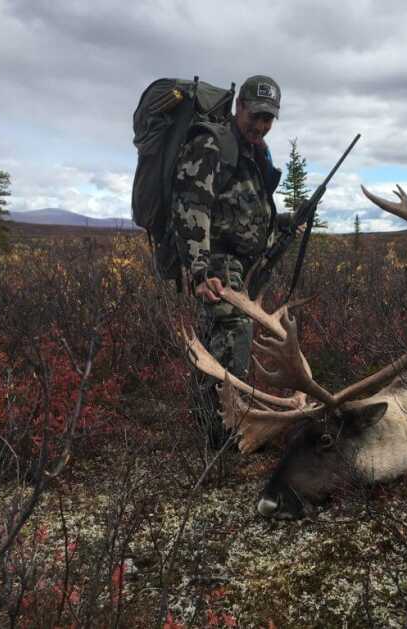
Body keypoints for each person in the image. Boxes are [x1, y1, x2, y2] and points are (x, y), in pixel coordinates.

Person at [171, 75, 295, 448]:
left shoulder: (253, 151)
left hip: (242, 266)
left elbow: (246, 209)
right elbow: (191, 208)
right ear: (239, 106)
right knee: (232, 338)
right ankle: (219, 438)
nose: (261, 125)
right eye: (256, 115)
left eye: (269, 118)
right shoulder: (212, 144)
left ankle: (215, 423)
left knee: (222, 343)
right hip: (218, 265)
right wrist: (200, 270)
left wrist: (283, 224)